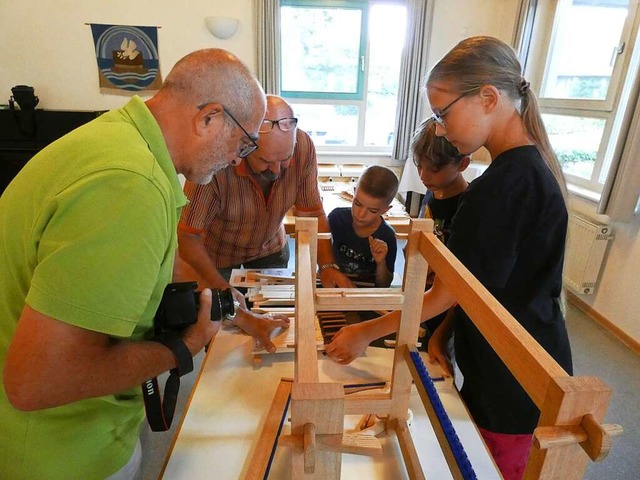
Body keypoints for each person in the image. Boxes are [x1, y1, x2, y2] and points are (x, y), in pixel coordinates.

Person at [0, 49, 289, 480]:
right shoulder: (129, 186)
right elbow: (36, 383)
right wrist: (181, 348)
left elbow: (164, 260)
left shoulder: (121, 141)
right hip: (63, 454)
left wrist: (234, 312)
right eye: (243, 142)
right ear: (208, 118)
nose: (238, 159)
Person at [325, 36, 573, 480]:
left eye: (443, 114)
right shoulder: (513, 175)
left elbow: (453, 290)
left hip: (515, 374)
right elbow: (486, 286)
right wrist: (441, 338)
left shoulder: (505, 187)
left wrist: (367, 330)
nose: (440, 128)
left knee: (493, 466)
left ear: (489, 98)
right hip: (498, 355)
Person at [177, 94, 354, 309]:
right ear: (245, 145)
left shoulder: (304, 147)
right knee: (224, 316)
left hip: (269, 247)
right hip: (217, 254)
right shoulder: (217, 159)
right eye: (266, 161)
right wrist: (223, 293)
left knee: (273, 312)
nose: (277, 170)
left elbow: (312, 214)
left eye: (285, 158)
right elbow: (188, 235)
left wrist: (327, 265)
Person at [412, 118, 470, 338]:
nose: (423, 176)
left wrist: (443, 334)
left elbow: (463, 286)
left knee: (439, 364)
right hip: (425, 298)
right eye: (419, 166)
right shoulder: (433, 191)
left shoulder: (467, 208)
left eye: (434, 169)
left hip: (450, 312)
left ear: (463, 164)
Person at [327, 165, 399, 287]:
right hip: (335, 287)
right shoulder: (336, 218)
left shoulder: (387, 235)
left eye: (372, 211)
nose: (360, 214)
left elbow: (384, 284)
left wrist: (381, 262)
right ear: (354, 192)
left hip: (366, 294)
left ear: (385, 210)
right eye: (358, 203)